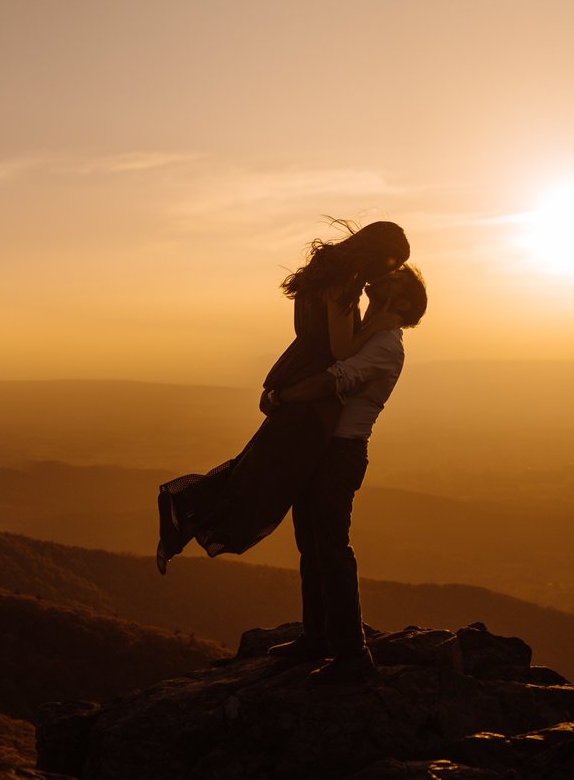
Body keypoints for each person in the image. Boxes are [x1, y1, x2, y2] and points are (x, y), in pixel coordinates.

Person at [157, 221, 408, 567]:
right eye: (390, 265)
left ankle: (185, 512)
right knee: (270, 475)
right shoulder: (344, 284)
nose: (383, 276)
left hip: (296, 366)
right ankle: (184, 508)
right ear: (378, 256)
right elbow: (341, 349)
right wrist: (377, 326)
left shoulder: (322, 269)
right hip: (313, 385)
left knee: (263, 461)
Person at [260, 264, 425, 681]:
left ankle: (352, 654)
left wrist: (282, 396)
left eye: (394, 279)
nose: (382, 276)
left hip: (342, 453)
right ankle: (316, 636)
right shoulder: (362, 336)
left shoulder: (386, 344)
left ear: (402, 303)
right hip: (320, 449)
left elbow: (336, 380)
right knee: (310, 544)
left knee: (331, 546)